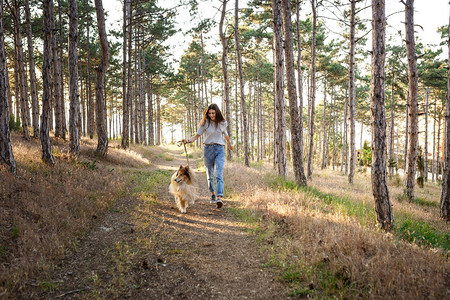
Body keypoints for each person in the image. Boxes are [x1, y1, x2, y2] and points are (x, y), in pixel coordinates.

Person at [183, 103, 233, 208]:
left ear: (217, 112)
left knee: (219, 174)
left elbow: (226, 135)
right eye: (209, 113)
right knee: (210, 175)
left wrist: (229, 144)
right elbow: (197, 136)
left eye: (213, 113)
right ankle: (213, 195)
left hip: (220, 149)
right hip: (208, 149)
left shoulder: (222, 123)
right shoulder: (205, 123)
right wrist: (187, 140)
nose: (211, 115)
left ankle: (219, 197)